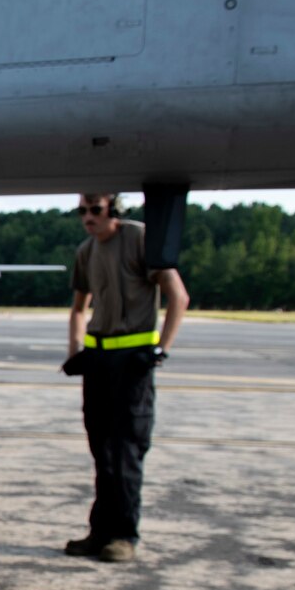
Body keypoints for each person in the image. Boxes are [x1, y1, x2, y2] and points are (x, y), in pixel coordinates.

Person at [61, 194, 189, 563]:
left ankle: (124, 536)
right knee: (101, 450)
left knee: (126, 451)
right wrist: (75, 354)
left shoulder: (139, 238)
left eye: (95, 210)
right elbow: (78, 309)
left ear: (113, 210)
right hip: (99, 359)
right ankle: (99, 532)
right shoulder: (86, 251)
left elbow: (178, 295)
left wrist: (160, 349)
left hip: (132, 361)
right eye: (82, 211)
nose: (88, 217)